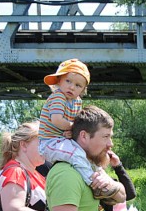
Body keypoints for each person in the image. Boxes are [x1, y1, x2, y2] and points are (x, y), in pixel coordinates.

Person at [39, 59, 122, 202]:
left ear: (83, 89)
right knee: (75, 154)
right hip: (49, 142)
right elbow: (57, 120)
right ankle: (94, 185)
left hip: (62, 140)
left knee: (85, 156)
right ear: (59, 81)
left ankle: (100, 177)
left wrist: (72, 131)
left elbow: (76, 123)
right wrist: (74, 129)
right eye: (68, 81)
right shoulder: (58, 96)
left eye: (78, 85)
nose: (72, 87)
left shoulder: (77, 101)